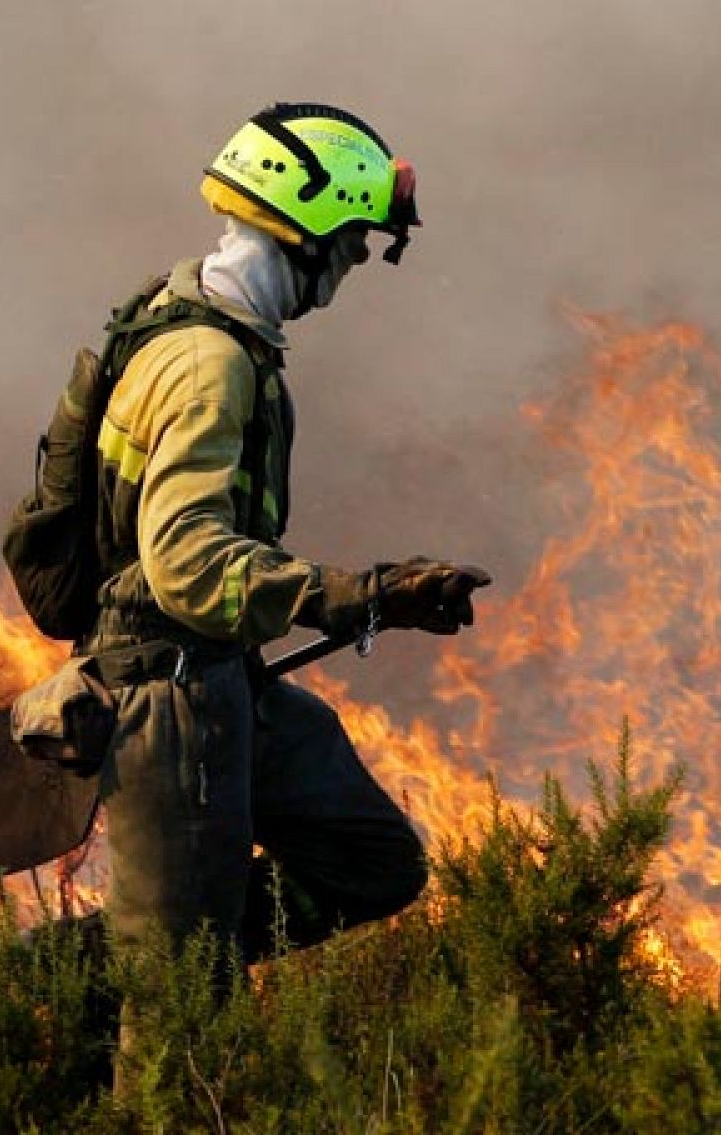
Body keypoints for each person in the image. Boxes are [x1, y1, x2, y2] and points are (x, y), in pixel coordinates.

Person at [85, 102, 490, 975]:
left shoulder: (199, 322)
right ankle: (92, 979)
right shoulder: (209, 367)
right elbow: (186, 562)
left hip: (217, 670)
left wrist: (384, 598)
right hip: (168, 696)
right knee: (178, 994)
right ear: (305, 232)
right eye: (350, 243)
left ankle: (130, 957)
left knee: (371, 862)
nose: (353, 266)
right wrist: (349, 595)